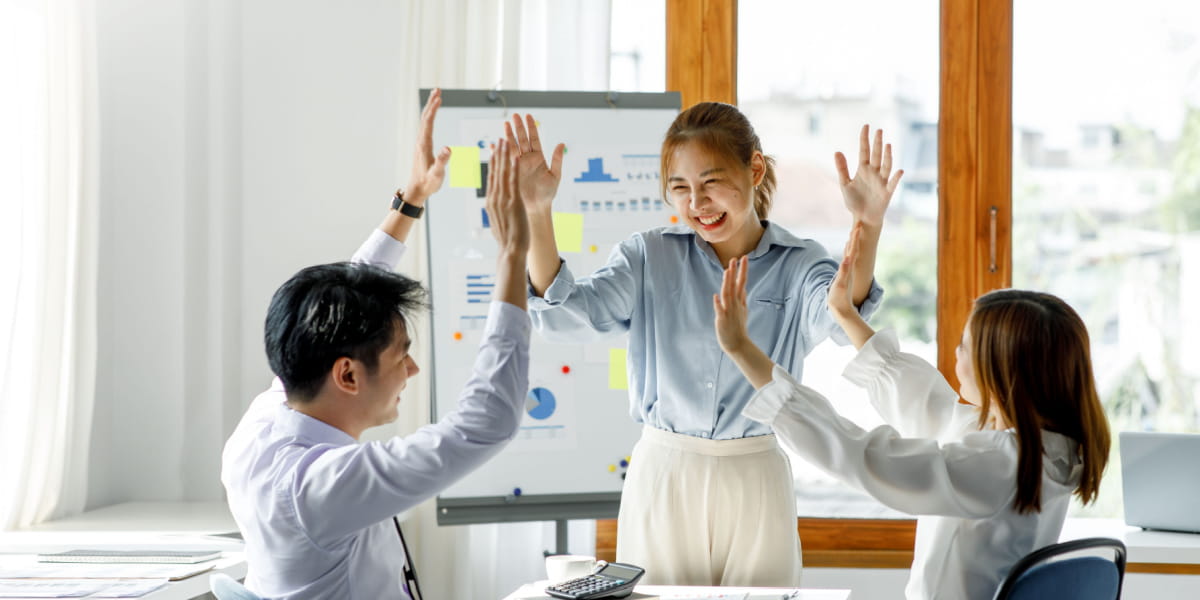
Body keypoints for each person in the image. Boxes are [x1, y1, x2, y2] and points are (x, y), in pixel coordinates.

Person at [505, 103, 903, 584]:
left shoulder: (799, 263)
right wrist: (538, 211)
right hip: (665, 472)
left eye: (711, 182)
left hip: (755, 470)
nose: (698, 203)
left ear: (754, 168)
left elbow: (844, 315)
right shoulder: (649, 254)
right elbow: (568, 313)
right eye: (680, 188)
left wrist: (869, 224)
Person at [221, 89, 532, 599]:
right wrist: (513, 255)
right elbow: (485, 424)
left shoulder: (263, 425)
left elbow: (341, 297)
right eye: (401, 354)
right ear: (347, 374)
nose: (411, 370)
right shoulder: (321, 488)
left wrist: (411, 199)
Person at [712, 226, 1112, 600]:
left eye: (965, 345)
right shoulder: (1048, 448)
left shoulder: (1001, 463)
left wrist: (741, 350)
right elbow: (929, 405)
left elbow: (863, 456)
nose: (956, 354)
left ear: (1003, 372)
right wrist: (847, 317)